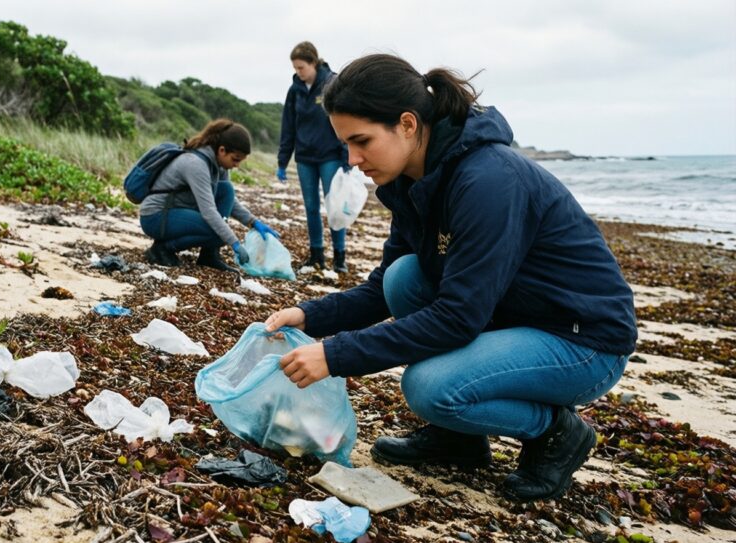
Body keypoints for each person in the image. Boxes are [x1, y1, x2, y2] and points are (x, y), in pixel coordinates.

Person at [264, 54, 637, 501]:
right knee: (403, 277)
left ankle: (557, 432)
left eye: (361, 141)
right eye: (345, 143)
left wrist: (336, 355)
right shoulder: (411, 182)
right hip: (511, 314)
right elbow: (382, 289)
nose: (352, 159)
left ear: (406, 124)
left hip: (583, 341)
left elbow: (458, 317)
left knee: (429, 387)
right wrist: (309, 317)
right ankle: (459, 440)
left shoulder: (488, 181)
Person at [139, 119, 279, 273]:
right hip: (156, 216)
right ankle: (162, 249)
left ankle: (209, 255)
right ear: (222, 150)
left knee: (226, 190)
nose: (237, 165)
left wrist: (254, 222)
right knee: (218, 233)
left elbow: (230, 202)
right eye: (235, 159)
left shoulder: (219, 165)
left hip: (176, 211)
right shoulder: (196, 164)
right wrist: (235, 244)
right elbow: (208, 211)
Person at [277, 41, 349, 273]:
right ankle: (316, 254)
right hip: (305, 157)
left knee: (334, 205)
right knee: (310, 207)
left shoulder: (331, 83)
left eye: (301, 68)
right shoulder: (294, 90)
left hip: (330, 155)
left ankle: (339, 257)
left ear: (313, 63)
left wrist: (347, 155)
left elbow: (345, 119)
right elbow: (288, 126)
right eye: (295, 68)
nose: (298, 72)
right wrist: (282, 161)